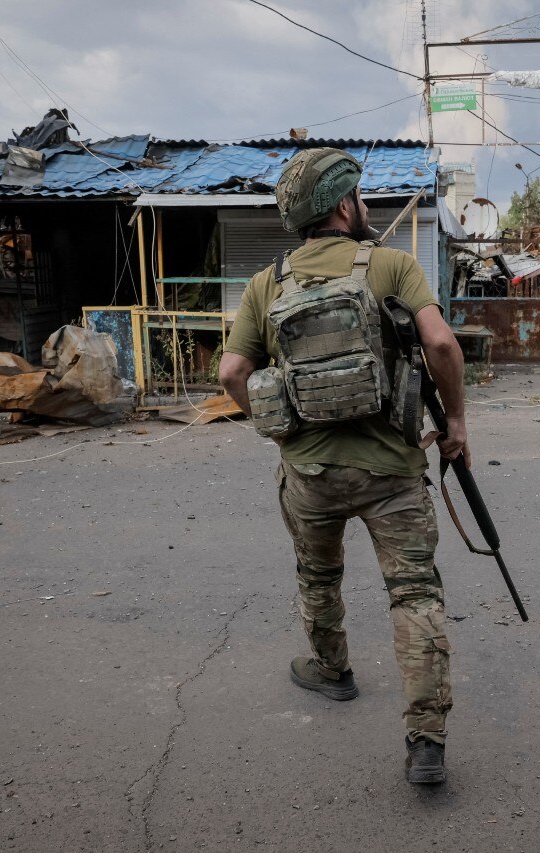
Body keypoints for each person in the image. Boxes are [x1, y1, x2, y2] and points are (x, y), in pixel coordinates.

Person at [218, 147, 467, 785]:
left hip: (311, 475)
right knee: (414, 593)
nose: (366, 208)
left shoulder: (266, 283)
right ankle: (426, 742)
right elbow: (440, 343)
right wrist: (457, 424)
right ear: (341, 207)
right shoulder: (391, 264)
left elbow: (232, 373)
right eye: (360, 198)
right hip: (391, 472)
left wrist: (281, 430)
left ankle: (332, 672)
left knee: (319, 576)